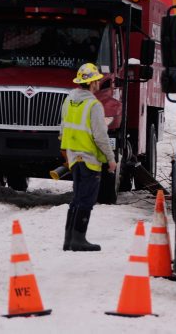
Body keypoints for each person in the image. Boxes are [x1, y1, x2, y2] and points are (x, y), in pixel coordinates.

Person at [58, 62, 116, 251]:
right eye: (97, 80)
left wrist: (66, 153)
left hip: (74, 158)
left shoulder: (68, 101)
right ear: (92, 83)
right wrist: (111, 158)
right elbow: (100, 136)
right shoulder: (94, 105)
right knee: (87, 200)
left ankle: (69, 239)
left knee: (77, 197)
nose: (98, 83)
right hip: (90, 159)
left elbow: (62, 129)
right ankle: (78, 239)